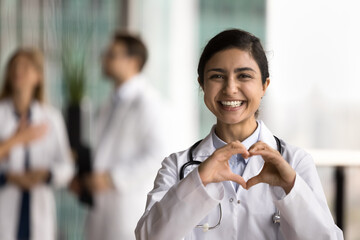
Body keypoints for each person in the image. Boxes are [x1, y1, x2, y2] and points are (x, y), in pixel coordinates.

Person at [135, 29, 344, 239]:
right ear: (202, 84)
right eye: (217, 76)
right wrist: (198, 181)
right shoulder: (176, 166)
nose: (230, 88)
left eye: (244, 76)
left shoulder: (296, 162)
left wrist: (291, 187)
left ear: (264, 85)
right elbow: (148, 236)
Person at [85, 32, 167, 240]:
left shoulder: (149, 102)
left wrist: (111, 178)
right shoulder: (110, 103)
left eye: (112, 54)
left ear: (134, 61)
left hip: (127, 209)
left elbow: (157, 156)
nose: (105, 59)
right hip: (101, 207)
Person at [0, 48, 74, 240]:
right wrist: (7, 177)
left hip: (38, 204)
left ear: (38, 76)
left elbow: (66, 166)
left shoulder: (51, 118)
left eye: (25, 67)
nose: (18, 71)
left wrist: (47, 174)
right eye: (14, 66)